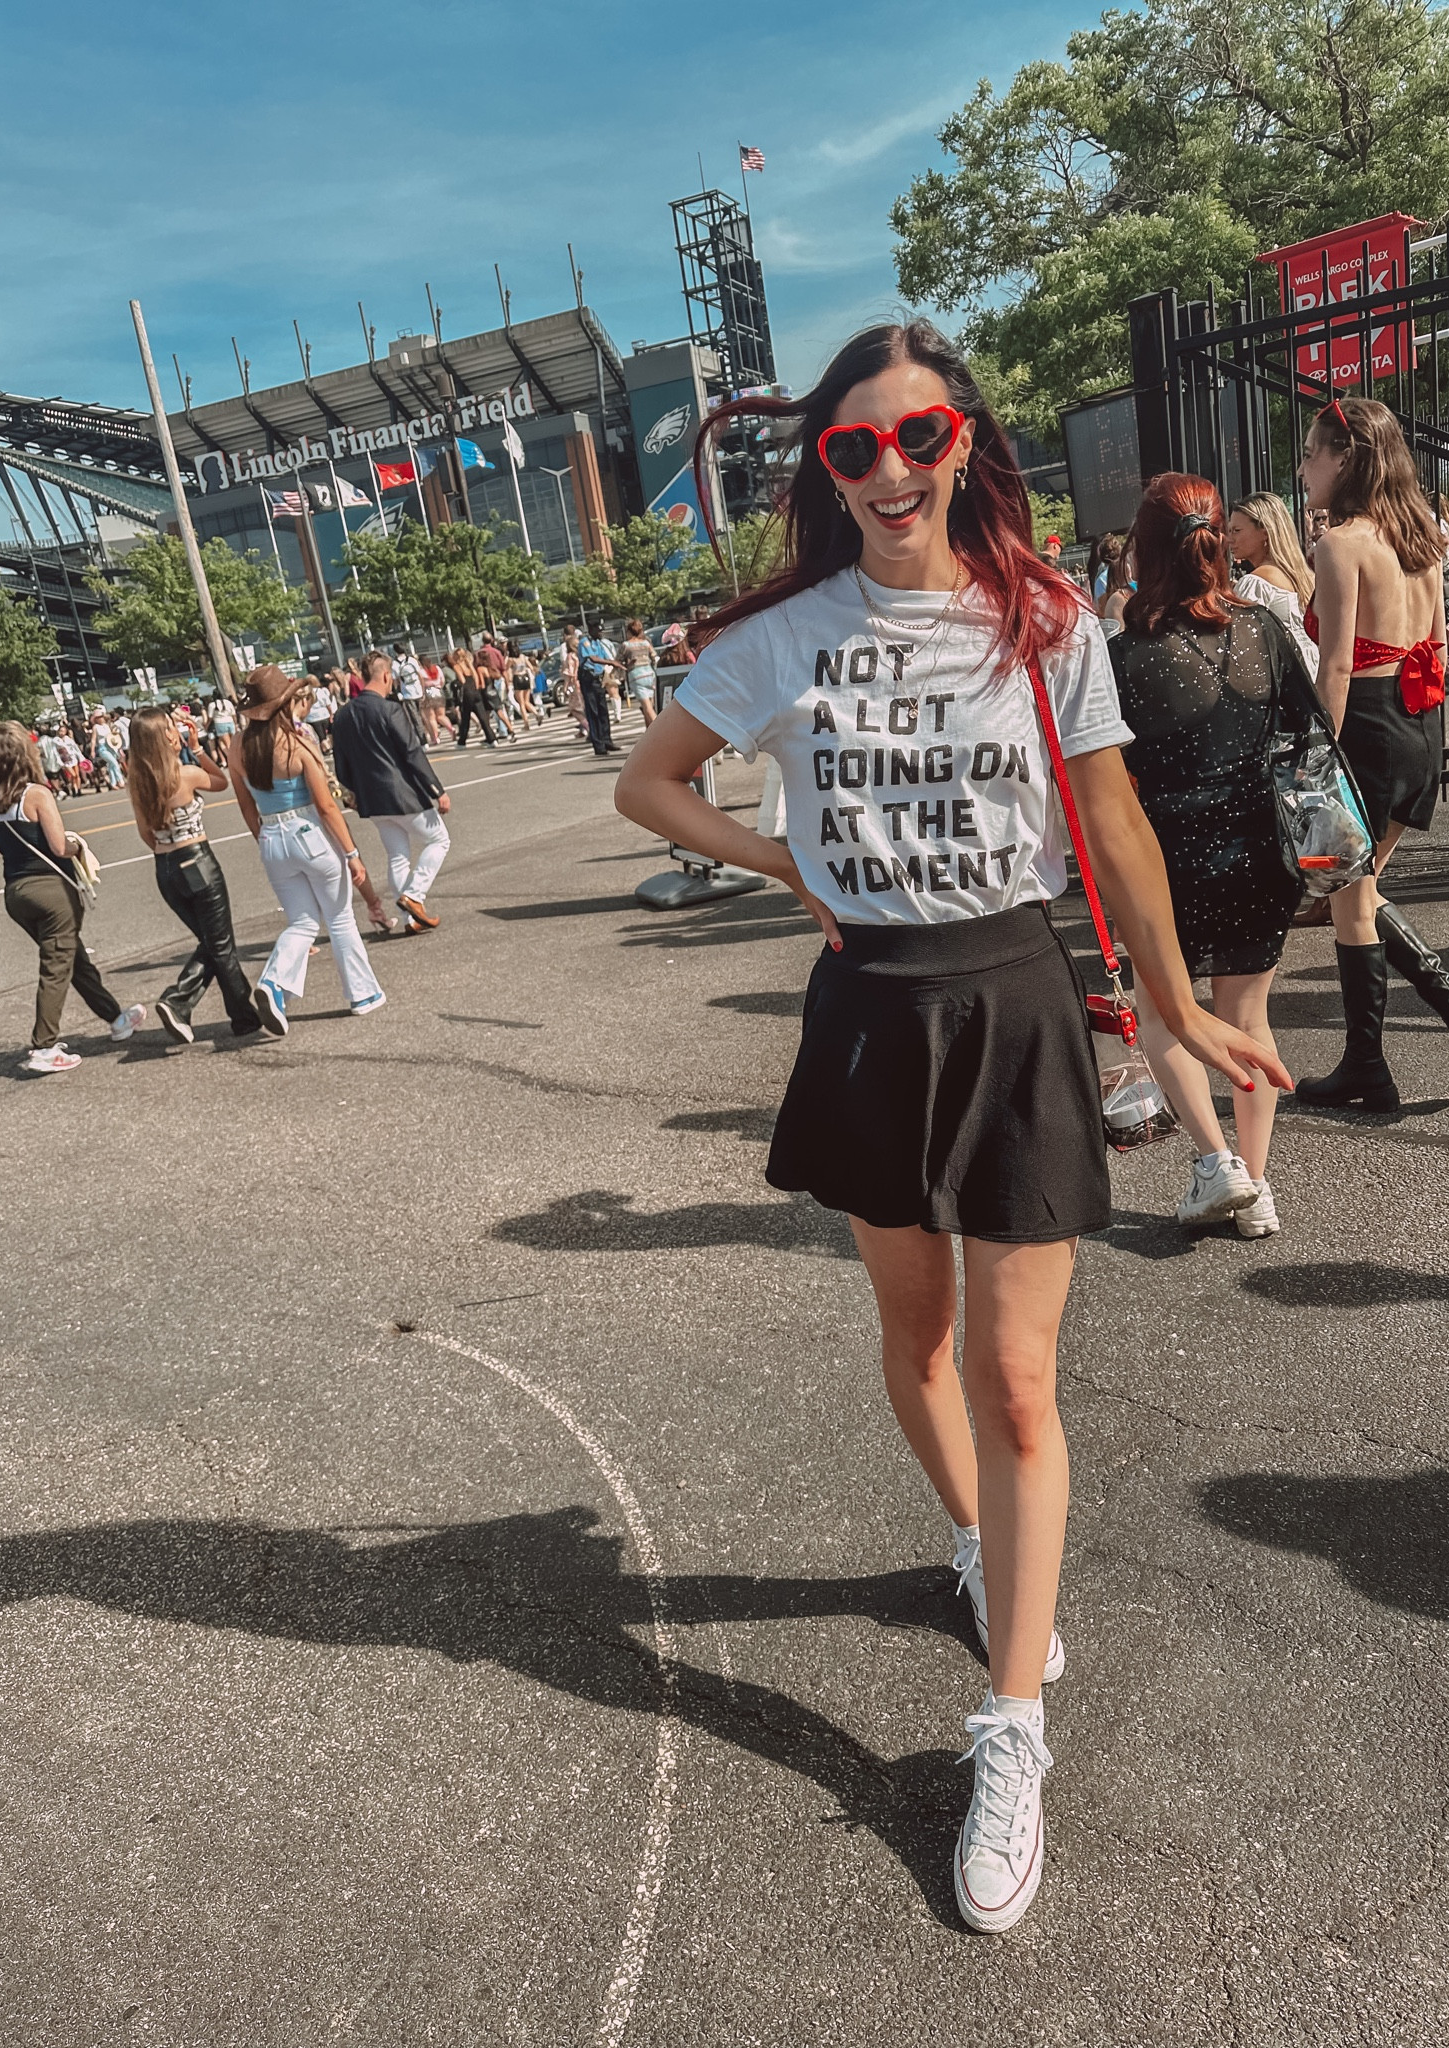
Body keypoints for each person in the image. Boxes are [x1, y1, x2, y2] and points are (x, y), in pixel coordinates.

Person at [613, 317, 1288, 1934]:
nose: (892, 468)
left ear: (965, 443)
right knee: (915, 1347)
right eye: (856, 447)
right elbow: (650, 785)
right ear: (829, 470)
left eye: (919, 436)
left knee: (1016, 1373)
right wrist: (791, 867)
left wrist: (1184, 1002)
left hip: (1014, 993)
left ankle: (1010, 1732)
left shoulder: (1042, 617)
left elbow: (1110, 814)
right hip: (870, 1011)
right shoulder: (782, 636)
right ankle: (980, 1549)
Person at [1110, 475, 1312, 1238]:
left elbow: (1105, 775)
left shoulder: (1128, 654)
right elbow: (1307, 728)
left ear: (1145, 546)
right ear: (1217, 538)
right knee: (1247, 1016)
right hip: (1262, 850)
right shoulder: (1261, 627)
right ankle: (1256, 1185)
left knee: (1167, 1011)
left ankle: (1214, 1161)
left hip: (1166, 861)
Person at [1296, 396, 1449, 1104]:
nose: (1304, 466)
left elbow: (1338, 666)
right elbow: (1439, 647)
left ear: (1344, 459)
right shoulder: (1421, 538)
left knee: (1349, 902)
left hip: (1370, 727)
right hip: (1418, 723)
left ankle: (1371, 1066)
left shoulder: (1340, 542)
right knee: (1360, 891)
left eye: (1312, 453)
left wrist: (1319, 764)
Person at [227, 665, 386, 1034]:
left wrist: (264, 837)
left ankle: (273, 983)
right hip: (309, 833)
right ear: (284, 704)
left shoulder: (237, 746)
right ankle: (362, 994)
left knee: (302, 921)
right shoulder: (297, 743)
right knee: (340, 917)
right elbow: (327, 806)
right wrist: (352, 853)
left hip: (270, 836)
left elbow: (245, 804)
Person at [0, 721, 146, 1072]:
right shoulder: (36, 794)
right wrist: (78, 845)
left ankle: (116, 1017)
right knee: (56, 964)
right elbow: (58, 846)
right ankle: (43, 1046)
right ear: (26, 753)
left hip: (16, 891)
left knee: (71, 957)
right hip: (51, 890)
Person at [125, 706, 262, 1043]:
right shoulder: (184, 774)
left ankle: (244, 1017)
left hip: (165, 868)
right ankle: (178, 1001)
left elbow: (146, 834)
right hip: (196, 859)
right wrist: (197, 748)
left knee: (213, 945)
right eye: (171, 727)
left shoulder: (137, 782)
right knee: (220, 945)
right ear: (166, 736)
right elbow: (220, 781)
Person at [332, 650, 452, 933]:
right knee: (439, 840)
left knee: (398, 855)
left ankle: (412, 917)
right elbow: (412, 753)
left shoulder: (343, 715)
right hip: (403, 793)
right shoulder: (390, 709)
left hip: (371, 798)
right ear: (386, 675)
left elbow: (341, 765)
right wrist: (437, 790)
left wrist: (355, 793)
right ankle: (415, 896)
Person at [1228, 491, 1318, 676]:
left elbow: (1240, 653)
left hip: (1286, 687)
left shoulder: (1254, 585)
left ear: (1265, 532)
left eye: (1236, 531)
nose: (1230, 539)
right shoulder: (1305, 577)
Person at [576, 627, 617, 756]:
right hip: (588, 678)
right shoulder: (585, 642)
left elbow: (605, 657)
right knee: (593, 712)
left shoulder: (598, 643)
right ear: (591, 630)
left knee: (603, 710)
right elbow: (592, 658)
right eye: (598, 631)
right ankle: (598, 745)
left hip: (598, 678)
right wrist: (612, 662)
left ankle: (607, 740)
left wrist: (616, 662)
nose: (601, 633)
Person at [451, 645, 498, 747]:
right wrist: (476, 688)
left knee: (465, 718)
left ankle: (461, 742)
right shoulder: (470, 665)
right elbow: (476, 678)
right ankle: (492, 739)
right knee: (483, 718)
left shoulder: (457, 666)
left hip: (467, 693)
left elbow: (462, 680)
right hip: (476, 691)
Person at [620, 619, 659, 728]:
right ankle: (649, 732)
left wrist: (627, 666)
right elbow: (654, 656)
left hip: (636, 675)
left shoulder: (626, 645)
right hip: (650, 674)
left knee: (647, 708)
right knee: (650, 706)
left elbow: (618, 661)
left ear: (629, 632)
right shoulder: (646, 643)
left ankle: (660, 730)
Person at [391, 643, 427, 740]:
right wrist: (423, 690)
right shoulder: (412, 660)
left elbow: (396, 681)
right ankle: (430, 733)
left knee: (414, 717)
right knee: (423, 714)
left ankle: (423, 739)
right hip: (418, 690)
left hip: (407, 693)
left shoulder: (394, 664)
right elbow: (420, 676)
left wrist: (398, 692)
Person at [419, 653, 452, 743]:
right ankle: (451, 729)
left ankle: (435, 737)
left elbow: (421, 683)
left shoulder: (421, 671)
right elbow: (442, 680)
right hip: (439, 692)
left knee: (431, 717)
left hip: (428, 693)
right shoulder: (437, 668)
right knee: (441, 715)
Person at [304, 675, 335, 751]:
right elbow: (328, 704)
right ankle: (329, 747)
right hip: (324, 715)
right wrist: (331, 714)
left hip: (312, 718)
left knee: (320, 736)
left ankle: (325, 749)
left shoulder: (306, 693)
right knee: (326, 734)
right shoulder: (321, 691)